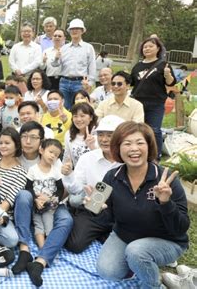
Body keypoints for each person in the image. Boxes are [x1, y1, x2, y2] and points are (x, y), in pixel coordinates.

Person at [96, 122, 189, 289]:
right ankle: (138, 264)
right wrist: (97, 208)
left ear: (149, 146)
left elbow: (181, 227)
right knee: (107, 271)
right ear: (118, 148)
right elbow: (96, 209)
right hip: (125, 234)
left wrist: (165, 202)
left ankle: (154, 285)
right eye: (127, 143)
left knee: (136, 252)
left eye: (140, 143)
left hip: (166, 240)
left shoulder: (166, 180)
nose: (134, 149)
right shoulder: (110, 176)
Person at [63, 115, 124, 254]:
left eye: (110, 135)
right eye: (101, 134)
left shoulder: (127, 161)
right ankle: (101, 233)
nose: (104, 139)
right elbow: (77, 188)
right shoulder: (88, 158)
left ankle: (106, 234)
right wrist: (69, 176)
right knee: (74, 244)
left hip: (121, 211)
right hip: (94, 206)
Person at [130, 37, 176, 158]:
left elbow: (171, 83)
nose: (147, 48)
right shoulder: (137, 66)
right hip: (138, 103)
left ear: (158, 48)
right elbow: (131, 83)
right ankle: (139, 153)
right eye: (145, 47)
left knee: (154, 130)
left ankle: (156, 156)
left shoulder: (163, 65)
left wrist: (168, 75)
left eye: (150, 46)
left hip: (156, 103)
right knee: (136, 129)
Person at [27, 139, 64, 249]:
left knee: (49, 225)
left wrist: (50, 199)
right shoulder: (33, 170)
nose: (53, 156)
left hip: (49, 205)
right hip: (37, 204)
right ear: (41, 150)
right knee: (38, 225)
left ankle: (49, 248)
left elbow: (60, 189)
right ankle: (42, 248)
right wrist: (36, 200)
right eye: (51, 152)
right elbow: (28, 187)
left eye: (56, 155)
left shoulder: (55, 171)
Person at [52, 18, 96, 109]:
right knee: (64, 108)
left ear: (82, 31)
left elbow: (92, 66)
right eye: (72, 29)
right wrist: (56, 58)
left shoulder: (88, 48)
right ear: (69, 31)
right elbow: (55, 65)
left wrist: (90, 83)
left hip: (80, 83)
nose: (74, 31)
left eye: (77, 28)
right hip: (64, 82)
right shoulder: (64, 48)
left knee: (79, 108)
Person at [63, 102, 98, 167]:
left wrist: (92, 146)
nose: (78, 119)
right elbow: (67, 157)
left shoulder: (98, 135)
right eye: (75, 116)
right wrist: (65, 169)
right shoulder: (68, 134)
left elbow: (104, 160)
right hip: (78, 175)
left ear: (91, 117)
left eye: (82, 116)